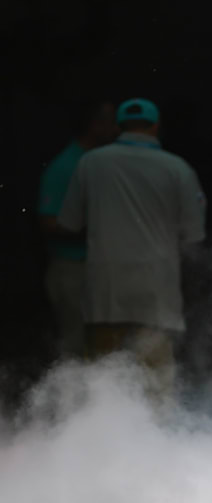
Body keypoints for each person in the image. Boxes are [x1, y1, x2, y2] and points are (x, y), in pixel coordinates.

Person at [57, 98, 206, 397]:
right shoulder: (178, 168)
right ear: (156, 125)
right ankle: (152, 441)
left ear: (117, 127)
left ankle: (99, 438)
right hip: (156, 291)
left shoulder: (91, 162)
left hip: (105, 288)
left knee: (101, 380)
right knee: (155, 385)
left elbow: (68, 224)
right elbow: (193, 235)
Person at [38, 99, 118, 359]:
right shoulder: (66, 166)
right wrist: (97, 230)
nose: (116, 127)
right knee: (75, 347)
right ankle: (73, 399)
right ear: (94, 125)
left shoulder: (100, 161)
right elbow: (48, 221)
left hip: (98, 268)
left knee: (102, 348)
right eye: (110, 120)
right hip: (73, 269)